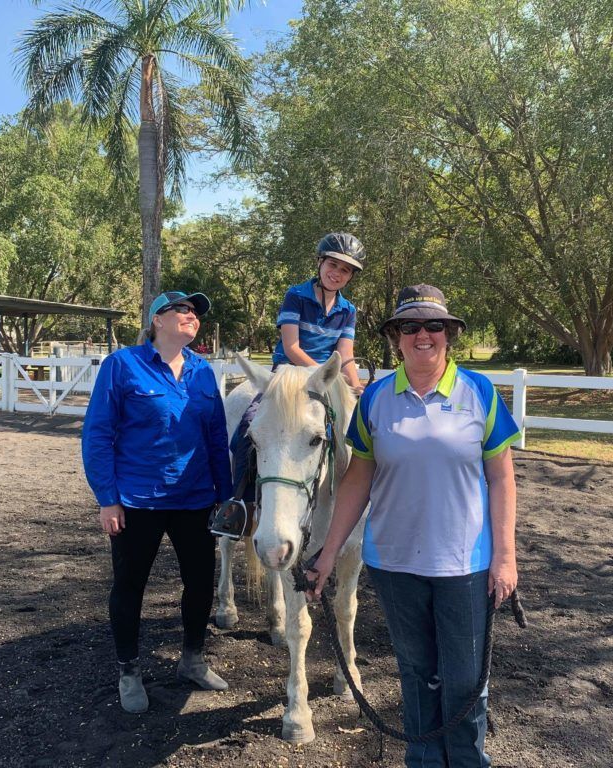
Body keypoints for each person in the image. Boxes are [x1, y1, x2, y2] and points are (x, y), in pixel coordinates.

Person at [307, 284, 520, 767]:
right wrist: (326, 553)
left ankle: (466, 761)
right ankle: (423, 761)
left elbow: (502, 477)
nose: (423, 335)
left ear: (449, 335)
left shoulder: (479, 392)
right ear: (396, 338)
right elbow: (357, 478)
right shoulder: (377, 397)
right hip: (394, 561)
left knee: (465, 678)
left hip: (465, 563)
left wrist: (505, 557)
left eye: (434, 326)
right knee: (416, 671)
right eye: (410, 327)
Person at [81, 290, 233, 713]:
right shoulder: (122, 366)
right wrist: (107, 499)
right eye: (181, 310)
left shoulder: (204, 372)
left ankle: (193, 658)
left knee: (201, 584)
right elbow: (97, 434)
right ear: (157, 320)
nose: (191, 316)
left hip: (196, 499)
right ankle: (128, 670)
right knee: (131, 586)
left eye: (195, 313)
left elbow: (217, 439)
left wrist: (226, 497)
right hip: (137, 500)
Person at [227, 232, 365, 508]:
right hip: (288, 374)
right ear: (320, 263)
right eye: (332, 265)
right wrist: (322, 375)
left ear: (350, 277)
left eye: (345, 270)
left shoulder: (348, 310)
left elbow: (345, 353)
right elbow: (291, 347)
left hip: (325, 379)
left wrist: (355, 384)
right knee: (248, 423)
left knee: (357, 428)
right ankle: (239, 505)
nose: (336, 273)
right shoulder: (296, 295)